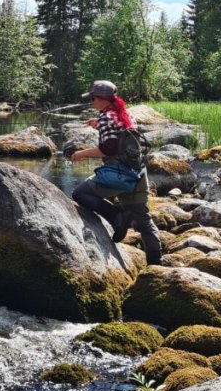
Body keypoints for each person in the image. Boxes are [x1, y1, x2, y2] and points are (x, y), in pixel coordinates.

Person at [69, 80, 162, 265]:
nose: (92, 102)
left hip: (116, 175)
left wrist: (82, 154)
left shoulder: (106, 118)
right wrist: (99, 124)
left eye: (93, 98)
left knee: (79, 193)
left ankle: (115, 216)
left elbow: (108, 149)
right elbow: (121, 136)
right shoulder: (125, 113)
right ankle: (156, 267)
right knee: (145, 223)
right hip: (136, 174)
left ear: (103, 99)